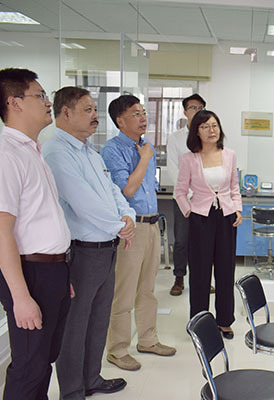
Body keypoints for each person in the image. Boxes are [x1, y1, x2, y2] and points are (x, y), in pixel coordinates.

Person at [0, 68, 72, 399]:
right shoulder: (3, 156)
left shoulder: (32, 151)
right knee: (29, 367)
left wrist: (60, 271)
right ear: (13, 102)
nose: (48, 103)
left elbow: (41, 219)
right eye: (40, 95)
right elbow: (1, 232)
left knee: (44, 362)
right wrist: (21, 297)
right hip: (30, 274)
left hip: (51, 270)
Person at [43, 87, 136, 399]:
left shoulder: (89, 153)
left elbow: (112, 192)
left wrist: (128, 217)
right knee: (75, 325)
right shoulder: (57, 152)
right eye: (88, 110)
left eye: (95, 109)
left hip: (106, 248)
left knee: (98, 320)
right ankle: (72, 391)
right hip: (81, 252)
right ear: (65, 112)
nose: (95, 115)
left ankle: (91, 379)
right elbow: (84, 204)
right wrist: (120, 227)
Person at [101, 94, 176, 371]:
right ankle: (117, 349)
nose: (143, 118)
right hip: (130, 229)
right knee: (124, 291)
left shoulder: (146, 146)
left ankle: (148, 339)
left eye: (143, 112)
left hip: (152, 225)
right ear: (120, 120)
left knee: (147, 289)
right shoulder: (112, 150)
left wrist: (146, 155)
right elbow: (128, 190)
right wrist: (144, 159)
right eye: (135, 113)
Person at [175, 110, 242, 339]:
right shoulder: (189, 159)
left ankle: (225, 321)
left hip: (226, 217)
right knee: (200, 273)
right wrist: (189, 211)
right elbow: (180, 192)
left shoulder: (230, 155)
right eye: (205, 127)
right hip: (200, 218)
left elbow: (234, 187)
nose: (211, 130)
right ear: (197, 132)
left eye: (214, 125)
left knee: (225, 270)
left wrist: (238, 209)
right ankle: (200, 322)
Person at [166, 93, 207, 296]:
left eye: (200, 108)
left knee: (203, 241)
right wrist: (189, 193)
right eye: (193, 108)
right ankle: (179, 278)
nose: (197, 112)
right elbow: (173, 168)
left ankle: (202, 279)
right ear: (185, 112)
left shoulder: (209, 136)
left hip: (205, 199)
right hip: (183, 198)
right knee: (182, 240)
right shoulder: (175, 138)